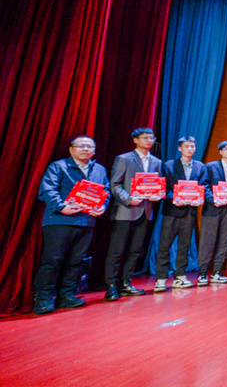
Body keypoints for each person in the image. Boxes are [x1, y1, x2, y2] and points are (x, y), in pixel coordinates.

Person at [33, 136, 109, 314]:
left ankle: (67, 295)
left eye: (89, 146)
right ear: (71, 149)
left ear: (94, 151)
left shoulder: (99, 169)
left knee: (76, 261)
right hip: (59, 221)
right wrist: (62, 207)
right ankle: (43, 299)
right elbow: (47, 189)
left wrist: (102, 206)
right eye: (81, 146)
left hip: (86, 222)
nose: (85, 149)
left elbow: (105, 190)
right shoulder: (58, 166)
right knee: (52, 260)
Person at [105, 127, 162, 301]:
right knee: (117, 250)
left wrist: (157, 195)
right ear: (135, 140)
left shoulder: (156, 162)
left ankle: (125, 282)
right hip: (125, 211)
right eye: (145, 137)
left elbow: (157, 186)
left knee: (135, 250)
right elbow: (115, 185)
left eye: (152, 138)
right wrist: (129, 199)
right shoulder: (124, 159)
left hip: (145, 211)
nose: (149, 140)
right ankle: (111, 285)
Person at [154, 136, 208, 292]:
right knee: (164, 246)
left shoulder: (200, 166)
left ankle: (180, 276)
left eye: (192, 146)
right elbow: (163, 188)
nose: (190, 149)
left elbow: (203, 187)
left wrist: (199, 199)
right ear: (180, 148)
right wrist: (175, 198)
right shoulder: (169, 165)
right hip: (171, 211)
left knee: (184, 246)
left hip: (189, 212)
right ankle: (161, 279)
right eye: (186, 146)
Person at [200, 140, 227, 285]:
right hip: (212, 209)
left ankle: (217, 271)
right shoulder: (210, 166)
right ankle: (203, 272)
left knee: (225, 241)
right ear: (220, 151)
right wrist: (213, 200)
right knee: (207, 240)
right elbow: (204, 185)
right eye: (226, 149)